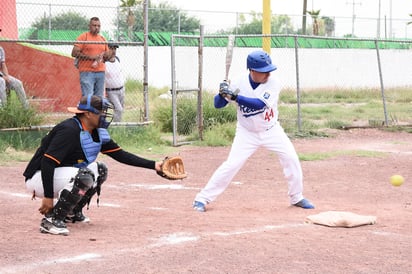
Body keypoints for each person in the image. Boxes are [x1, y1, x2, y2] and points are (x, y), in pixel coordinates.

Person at [192, 50, 314, 212]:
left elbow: (259, 104)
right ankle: (202, 199)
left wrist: (234, 97)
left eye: (269, 70)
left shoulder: (273, 82)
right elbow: (218, 105)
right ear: (252, 70)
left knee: (291, 158)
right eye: (263, 71)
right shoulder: (238, 81)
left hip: (271, 130)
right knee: (231, 165)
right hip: (246, 133)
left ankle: (296, 197)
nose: (267, 74)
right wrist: (222, 93)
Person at [23, 95, 163, 235]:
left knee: (100, 169)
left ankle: (71, 212)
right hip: (39, 177)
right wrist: (48, 197)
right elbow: (47, 162)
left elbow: (121, 155)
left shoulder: (97, 132)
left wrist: (154, 165)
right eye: (101, 112)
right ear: (88, 114)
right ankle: (52, 220)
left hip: (60, 175)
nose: (104, 116)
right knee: (85, 175)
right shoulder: (69, 130)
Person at [71, 17, 113, 97]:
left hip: (100, 71)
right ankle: (88, 109)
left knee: (99, 98)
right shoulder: (84, 37)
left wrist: (108, 55)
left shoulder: (102, 39)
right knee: (88, 97)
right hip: (87, 71)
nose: (96, 28)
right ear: (89, 26)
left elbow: (107, 55)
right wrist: (91, 57)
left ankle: (97, 110)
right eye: (94, 25)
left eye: (98, 26)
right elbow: (74, 53)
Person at [104, 42, 125, 122]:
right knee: (118, 109)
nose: (113, 51)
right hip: (111, 91)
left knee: (121, 109)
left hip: (121, 89)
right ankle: (117, 127)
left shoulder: (117, 59)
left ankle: (117, 124)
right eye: (111, 48)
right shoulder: (104, 62)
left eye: (114, 49)